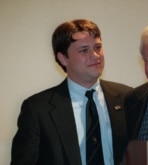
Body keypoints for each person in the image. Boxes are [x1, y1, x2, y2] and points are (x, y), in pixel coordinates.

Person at [11, 19, 132, 165]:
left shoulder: (127, 98)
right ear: (63, 58)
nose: (95, 55)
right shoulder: (38, 109)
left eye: (98, 47)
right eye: (84, 50)